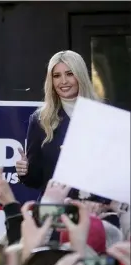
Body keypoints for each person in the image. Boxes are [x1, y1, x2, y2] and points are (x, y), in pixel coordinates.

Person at [15, 50, 106, 202]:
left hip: (96, 209)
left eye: (69, 74)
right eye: (56, 76)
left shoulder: (103, 116)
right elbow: (36, 180)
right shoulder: (40, 120)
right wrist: (25, 171)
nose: (63, 81)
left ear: (80, 76)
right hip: (55, 211)